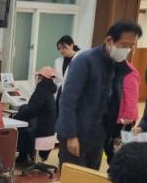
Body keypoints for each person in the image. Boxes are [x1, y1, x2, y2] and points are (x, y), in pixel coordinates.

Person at [56, 20, 142, 170]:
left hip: (98, 135)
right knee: (74, 181)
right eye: (124, 44)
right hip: (77, 133)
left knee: (90, 178)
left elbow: (114, 100)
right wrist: (71, 136)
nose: (127, 50)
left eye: (131, 46)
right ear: (109, 40)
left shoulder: (117, 64)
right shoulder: (85, 61)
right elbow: (67, 100)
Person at [14, 66, 58, 165]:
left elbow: (31, 111)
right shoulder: (49, 92)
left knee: (20, 126)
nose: (36, 78)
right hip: (48, 131)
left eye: (37, 76)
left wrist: (17, 115)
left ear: (41, 78)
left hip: (40, 132)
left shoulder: (41, 91)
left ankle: (22, 158)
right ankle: (27, 157)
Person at [104, 58, 140, 164]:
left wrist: (127, 116)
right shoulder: (113, 66)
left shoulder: (128, 70)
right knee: (110, 145)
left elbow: (131, 94)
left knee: (116, 147)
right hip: (112, 115)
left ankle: (116, 167)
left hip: (122, 119)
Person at [54, 35, 80, 106]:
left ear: (71, 45)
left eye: (64, 48)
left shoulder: (80, 60)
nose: (61, 51)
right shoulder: (57, 61)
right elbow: (56, 80)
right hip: (59, 95)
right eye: (59, 49)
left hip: (73, 95)